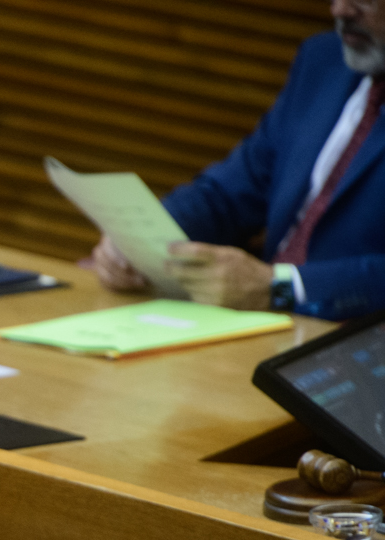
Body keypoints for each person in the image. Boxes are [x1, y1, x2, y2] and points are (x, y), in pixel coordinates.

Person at [93, 0, 385, 320]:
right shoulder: (324, 58)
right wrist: (138, 238)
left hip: (353, 336)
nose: (340, 10)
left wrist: (279, 287)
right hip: (260, 323)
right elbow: (231, 194)